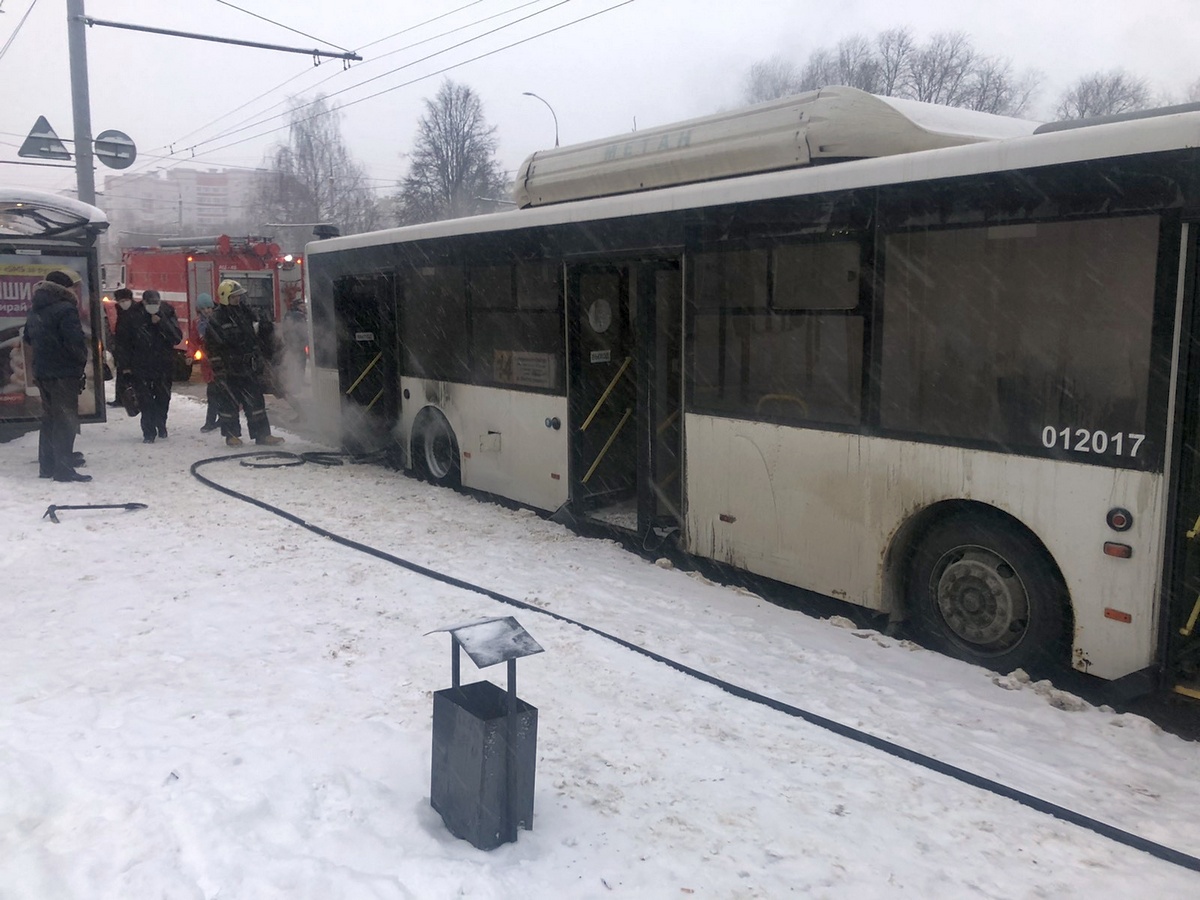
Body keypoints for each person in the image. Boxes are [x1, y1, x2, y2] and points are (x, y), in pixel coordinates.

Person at [22, 269, 91, 482]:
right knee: (65, 421)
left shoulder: (35, 310)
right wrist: (80, 362)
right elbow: (75, 342)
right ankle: (63, 469)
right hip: (63, 373)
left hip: (43, 373)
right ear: (64, 289)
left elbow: (27, 338)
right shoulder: (66, 309)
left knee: (50, 419)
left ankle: (47, 466)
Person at [205, 279, 284, 447]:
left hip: (249, 367)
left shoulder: (246, 312)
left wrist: (265, 325)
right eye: (234, 296)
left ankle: (262, 435)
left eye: (239, 296)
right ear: (225, 297)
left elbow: (259, 337)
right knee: (229, 404)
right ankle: (231, 435)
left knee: (256, 402)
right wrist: (219, 369)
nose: (238, 299)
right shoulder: (217, 318)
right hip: (229, 369)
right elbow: (212, 347)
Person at [117, 288, 182, 444]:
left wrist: (162, 322)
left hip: (163, 364)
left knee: (163, 397)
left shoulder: (166, 311)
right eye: (150, 303)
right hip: (141, 364)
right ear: (143, 302)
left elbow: (176, 337)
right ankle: (148, 432)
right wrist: (125, 365)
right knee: (145, 400)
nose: (153, 306)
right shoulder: (132, 315)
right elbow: (123, 342)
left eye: (156, 303)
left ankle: (161, 424)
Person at [190, 292, 219, 432]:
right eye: (204, 308)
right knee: (213, 393)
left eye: (209, 308)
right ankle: (213, 420)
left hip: (220, 361)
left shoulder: (218, 320)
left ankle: (214, 420)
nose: (207, 311)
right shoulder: (197, 324)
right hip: (208, 363)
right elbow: (193, 342)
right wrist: (190, 354)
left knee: (217, 393)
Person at [106, 288, 135, 408]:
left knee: (129, 375)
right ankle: (121, 398)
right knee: (122, 374)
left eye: (125, 300)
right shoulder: (120, 311)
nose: (123, 303)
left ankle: (131, 398)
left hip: (132, 349)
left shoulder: (135, 312)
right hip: (122, 348)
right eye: (120, 300)